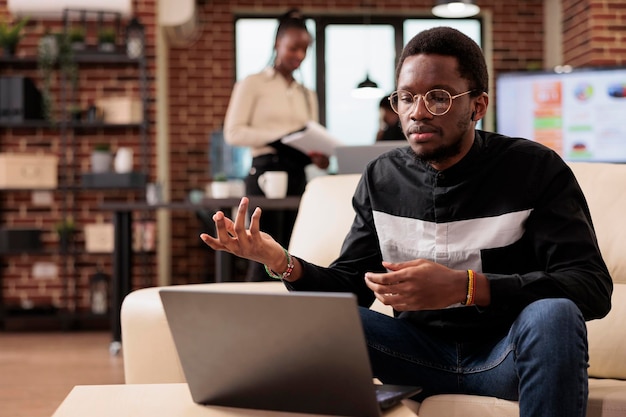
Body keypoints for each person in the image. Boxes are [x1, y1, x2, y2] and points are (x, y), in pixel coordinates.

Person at [202, 26, 613, 416]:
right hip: (414, 355)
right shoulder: (382, 178)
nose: (418, 112)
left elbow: (591, 286)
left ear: (478, 106)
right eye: (405, 97)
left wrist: (467, 287)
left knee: (554, 314)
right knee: (316, 324)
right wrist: (280, 260)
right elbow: (351, 289)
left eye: (438, 97)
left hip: (505, 356)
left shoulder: (534, 169)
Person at [222, 8, 329, 281]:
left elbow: (311, 134)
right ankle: (254, 318)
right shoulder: (253, 84)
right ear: (276, 44)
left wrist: (319, 156)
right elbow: (233, 133)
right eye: (293, 48)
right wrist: (276, 138)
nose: (300, 56)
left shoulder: (307, 94)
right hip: (265, 175)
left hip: (297, 176)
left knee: (295, 254)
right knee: (261, 257)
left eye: (305, 49)